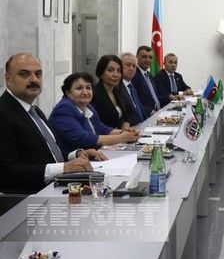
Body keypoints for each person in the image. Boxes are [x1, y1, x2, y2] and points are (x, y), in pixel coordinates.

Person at [0, 53, 106, 194]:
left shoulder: (34, 110)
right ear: (8, 79)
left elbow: (50, 153)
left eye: (38, 74)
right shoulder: (4, 112)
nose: (34, 79)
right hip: (29, 198)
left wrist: (77, 154)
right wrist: (64, 168)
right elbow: (6, 171)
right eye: (24, 74)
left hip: (55, 188)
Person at [49, 73, 139, 152]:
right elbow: (83, 139)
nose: (85, 92)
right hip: (73, 160)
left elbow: (100, 128)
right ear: (68, 92)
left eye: (88, 88)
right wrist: (122, 137)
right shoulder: (64, 109)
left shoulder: (88, 107)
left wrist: (123, 132)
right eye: (79, 88)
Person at [91, 55, 138, 129]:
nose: (116, 75)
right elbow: (99, 124)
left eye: (119, 71)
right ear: (101, 73)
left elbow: (133, 114)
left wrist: (126, 123)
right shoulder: (94, 94)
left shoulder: (118, 91)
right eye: (110, 70)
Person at [131, 46, 166, 117]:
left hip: (157, 114)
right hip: (146, 116)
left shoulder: (149, 75)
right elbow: (134, 101)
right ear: (136, 57)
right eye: (144, 57)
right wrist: (150, 112)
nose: (148, 60)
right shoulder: (133, 75)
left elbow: (155, 97)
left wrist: (169, 97)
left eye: (150, 57)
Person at [119, 52, 146, 124]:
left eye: (134, 66)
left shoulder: (131, 86)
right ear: (119, 66)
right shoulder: (116, 87)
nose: (131, 68)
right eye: (128, 65)